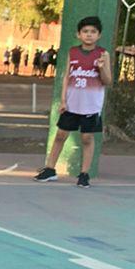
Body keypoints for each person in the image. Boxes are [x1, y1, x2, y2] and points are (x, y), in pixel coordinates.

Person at [34, 16, 113, 187]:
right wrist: (63, 99)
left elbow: (108, 81)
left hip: (91, 105)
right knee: (60, 135)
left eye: (93, 32)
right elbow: (66, 77)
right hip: (72, 103)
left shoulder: (103, 54)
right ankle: (49, 169)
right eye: (85, 31)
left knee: (86, 138)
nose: (89, 35)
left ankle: (84, 174)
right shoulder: (73, 52)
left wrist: (101, 68)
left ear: (99, 35)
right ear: (79, 34)